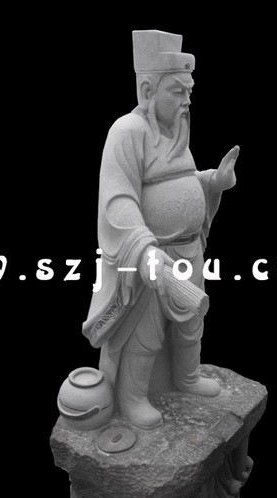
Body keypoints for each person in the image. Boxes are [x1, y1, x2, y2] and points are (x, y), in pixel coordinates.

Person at [83, 30, 239, 430]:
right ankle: (133, 396)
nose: (188, 101)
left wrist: (211, 182)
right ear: (148, 90)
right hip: (152, 257)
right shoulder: (127, 132)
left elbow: (179, 183)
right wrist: (144, 250)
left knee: (190, 323)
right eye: (178, 91)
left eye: (190, 91)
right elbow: (118, 199)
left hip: (189, 248)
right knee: (146, 332)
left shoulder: (177, 132)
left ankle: (187, 377)